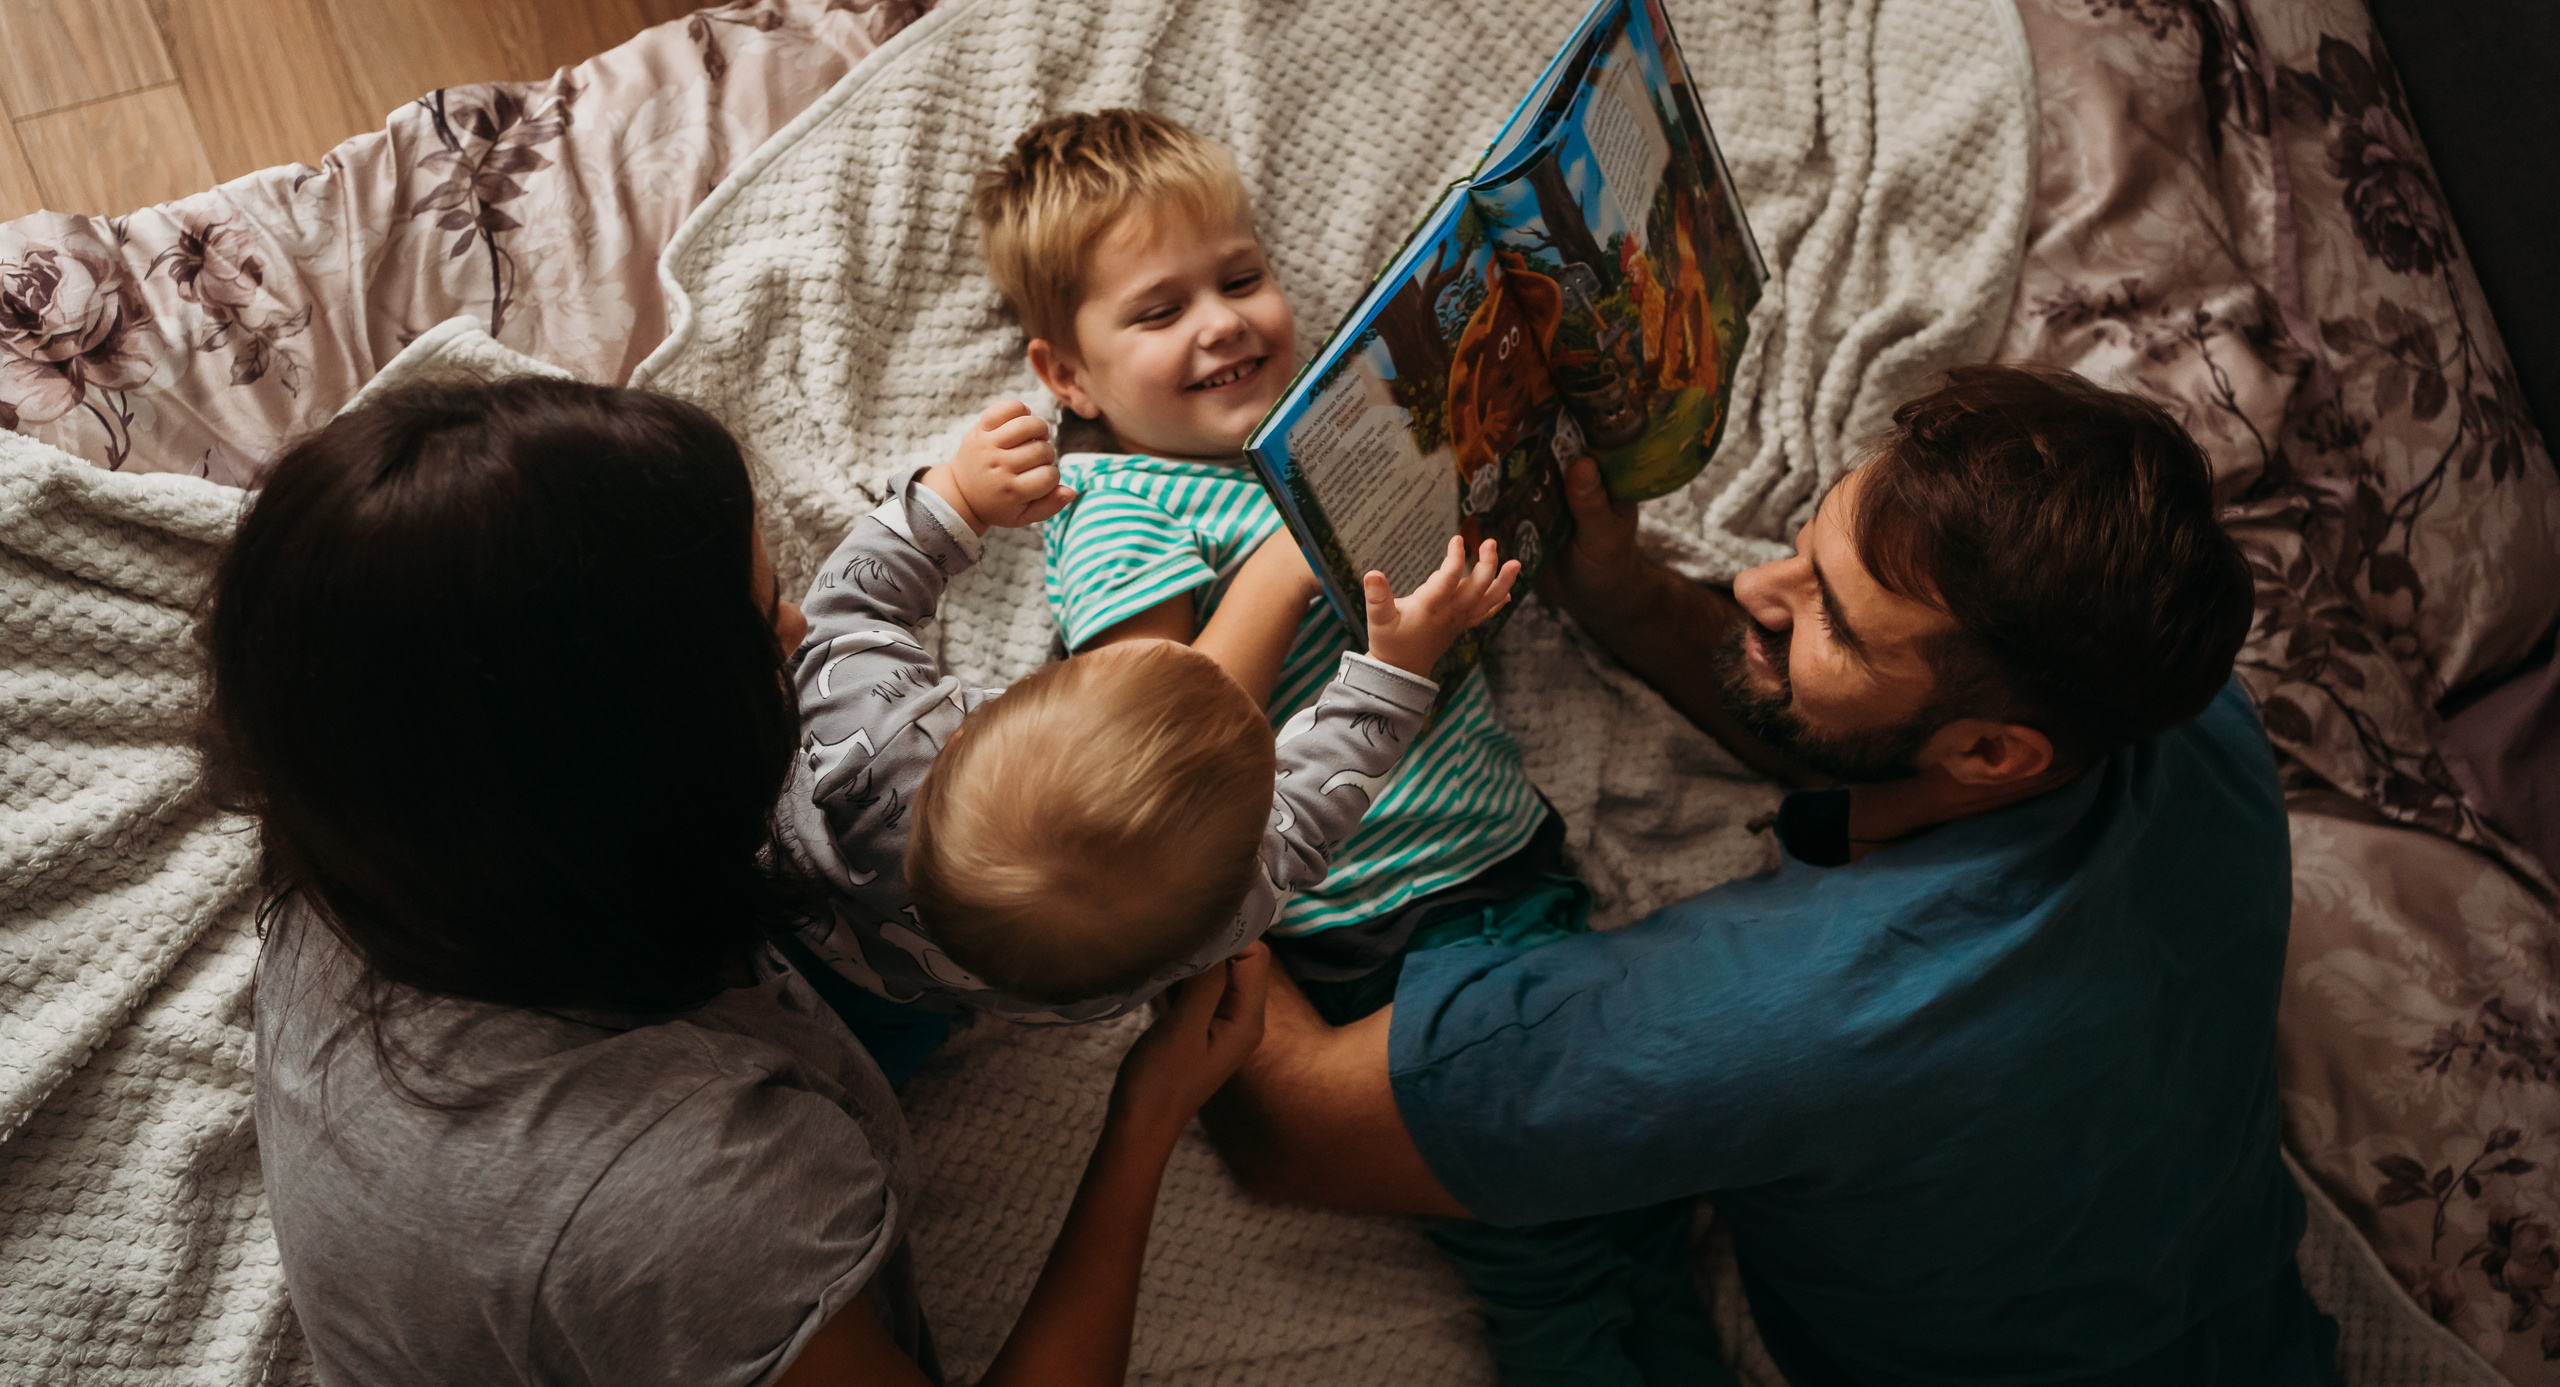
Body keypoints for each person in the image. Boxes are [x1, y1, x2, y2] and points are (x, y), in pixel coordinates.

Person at [1204, 364, 2345, 1387]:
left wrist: (1167, 804)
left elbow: (1293, 1128)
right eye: (1804, 546)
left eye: (1832, 623)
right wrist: (1624, 592)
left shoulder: (1789, 1010)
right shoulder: (2192, 715)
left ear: (1995, 752)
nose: (1756, 584)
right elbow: (1893, 747)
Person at [209, 375, 1270, 1387]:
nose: (804, 631)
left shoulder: (363, 781)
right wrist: (1147, 1115)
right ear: (656, 764)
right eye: (768, 630)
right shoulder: (685, 1205)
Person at [977, 107, 1730, 1387]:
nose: (1221, 324)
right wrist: (1283, 561)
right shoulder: (1117, 510)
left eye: (1239, 280)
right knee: (1542, 1250)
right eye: (1158, 314)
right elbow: (1152, 749)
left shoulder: (1316, 438)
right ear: (1068, 378)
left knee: (1642, 1223)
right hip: (1379, 929)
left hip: (1509, 871)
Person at [781, 398, 1519, 1021]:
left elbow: (847, 605)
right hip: (898, 997)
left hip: (781, 886)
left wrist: (960, 496)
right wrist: (1396, 664)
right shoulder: (1205, 928)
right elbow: (1316, 807)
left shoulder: (871, 734)